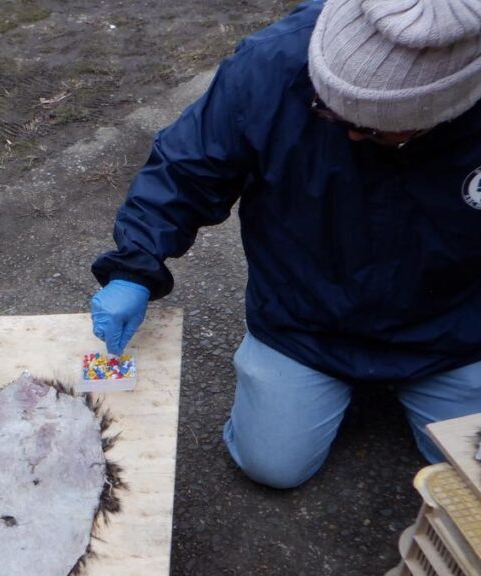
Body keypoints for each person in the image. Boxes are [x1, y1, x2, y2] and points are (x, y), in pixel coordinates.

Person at [89, 0, 481, 489]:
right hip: (305, 320)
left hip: (450, 329)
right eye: (328, 110)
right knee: (272, 465)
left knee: (469, 477)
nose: (353, 133)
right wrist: (135, 264)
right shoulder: (272, 62)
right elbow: (188, 167)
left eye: (376, 128)